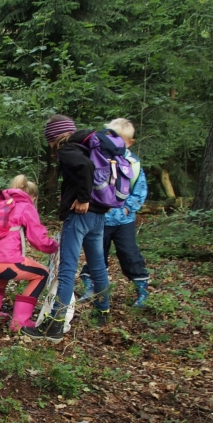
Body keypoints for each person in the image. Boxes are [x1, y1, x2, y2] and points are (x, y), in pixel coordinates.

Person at [22, 115, 111, 343]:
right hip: (98, 215)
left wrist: (83, 198)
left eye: (49, 140)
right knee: (97, 264)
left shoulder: (67, 150)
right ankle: (103, 310)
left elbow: (86, 168)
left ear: (54, 137)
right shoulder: (86, 146)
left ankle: (54, 324)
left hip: (79, 215)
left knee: (66, 270)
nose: (50, 145)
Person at [79, 118, 150, 307]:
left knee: (128, 253)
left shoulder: (133, 164)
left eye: (121, 140)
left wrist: (127, 207)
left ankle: (142, 288)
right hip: (99, 218)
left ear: (130, 142)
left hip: (123, 220)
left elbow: (140, 191)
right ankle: (91, 286)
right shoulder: (97, 158)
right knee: (97, 253)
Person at [0, 175, 58, 330]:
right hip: (4, 262)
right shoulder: (25, 206)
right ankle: (20, 322)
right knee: (42, 274)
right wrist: (55, 246)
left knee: (2, 273)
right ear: (32, 197)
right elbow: (39, 240)